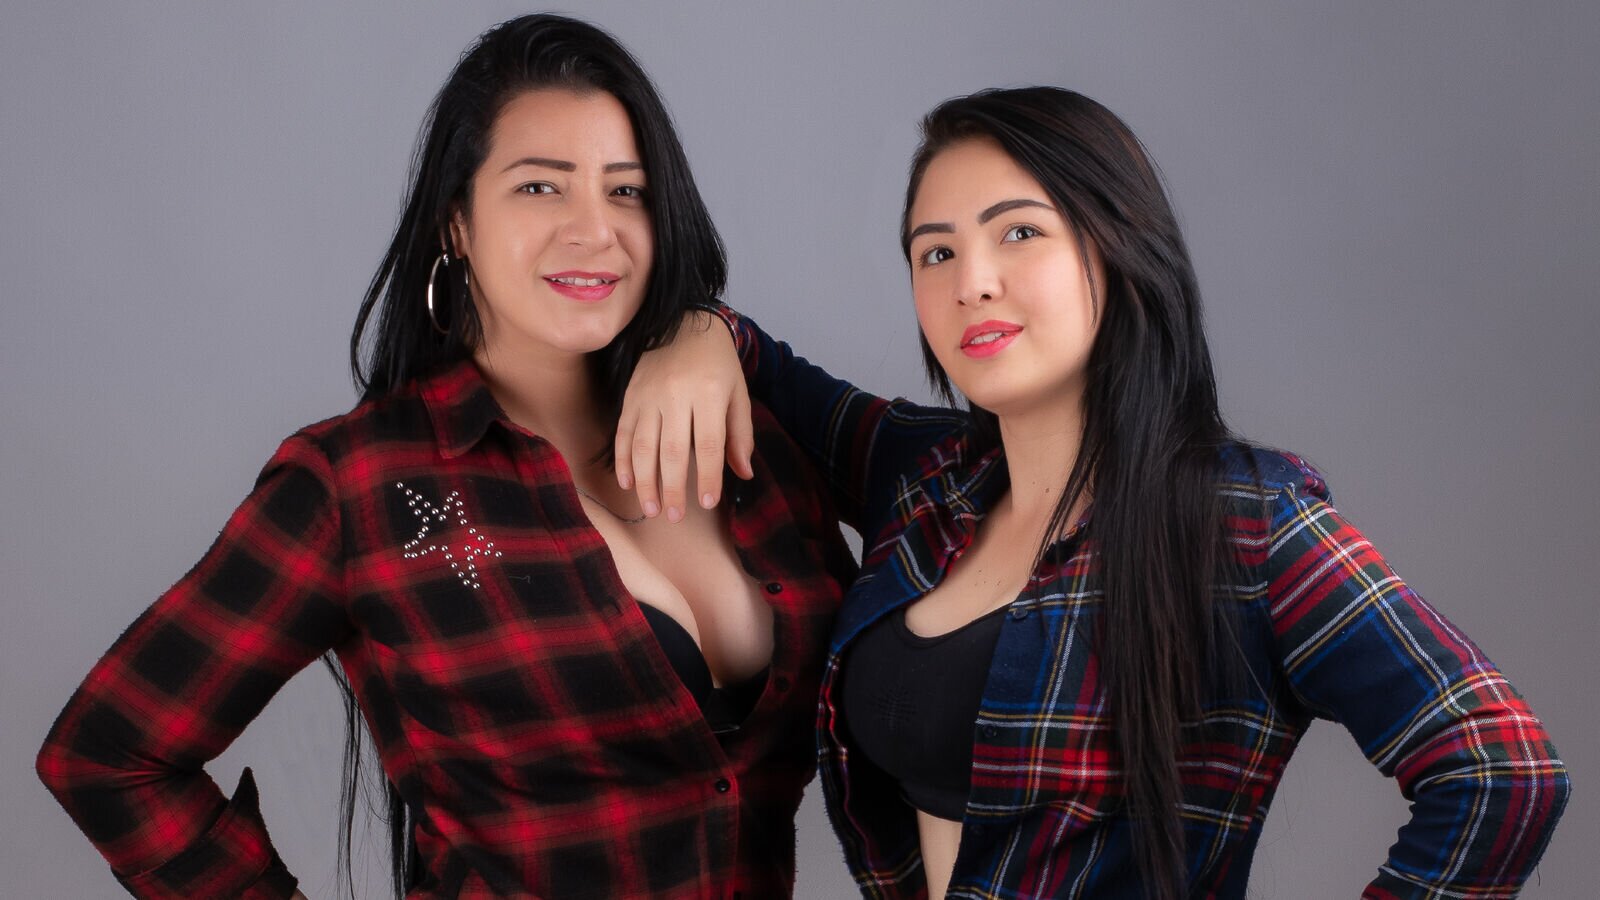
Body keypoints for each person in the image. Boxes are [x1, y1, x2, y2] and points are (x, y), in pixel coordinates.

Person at [620, 87, 1570, 899]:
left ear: (1117, 247)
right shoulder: (927, 479)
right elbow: (756, 360)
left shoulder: (1241, 525)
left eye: (1019, 233)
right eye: (935, 252)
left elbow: (1503, 771)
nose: (972, 283)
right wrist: (694, 331)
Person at [36, 14, 853, 899]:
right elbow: (107, 755)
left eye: (627, 191)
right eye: (540, 187)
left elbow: (922, 572)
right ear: (456, 222)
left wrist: (708, 327)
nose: (594, 229)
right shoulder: (359, 486)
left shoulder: (744, 440)